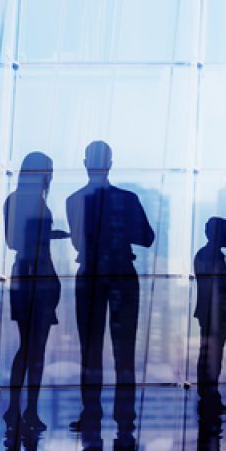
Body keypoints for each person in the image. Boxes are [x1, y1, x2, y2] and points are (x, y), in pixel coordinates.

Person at [66, 140, 155, 428]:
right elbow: (147, 237)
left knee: (89, 348)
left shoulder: (74, 200)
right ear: (111, 163)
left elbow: (79, 241)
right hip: (121, 273)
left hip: (90, 274)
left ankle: (91, 412)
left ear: (85, 163)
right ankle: (124, 414)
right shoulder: (127, 199)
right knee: (124, 348)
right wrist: (120, 229)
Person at [3, 152, 68, 433]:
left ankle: (20, 408)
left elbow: (16, 239)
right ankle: (25, 409)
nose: (50, 176)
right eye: (48, 170)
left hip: (33, 275)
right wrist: (45, 234)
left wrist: (47, 235)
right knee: (33, 348)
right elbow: (16, 240)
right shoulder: (24, 200)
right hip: (34, 276)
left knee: (30, 347)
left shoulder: (17, 200)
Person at [193, 217, 226, 414]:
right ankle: (209, 396)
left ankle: (209, 395)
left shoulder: (209, 254)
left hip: (212, 312)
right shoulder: (210, 255)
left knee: (211, 354)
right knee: (212, 355)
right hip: (213, 313)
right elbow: (215, 284)